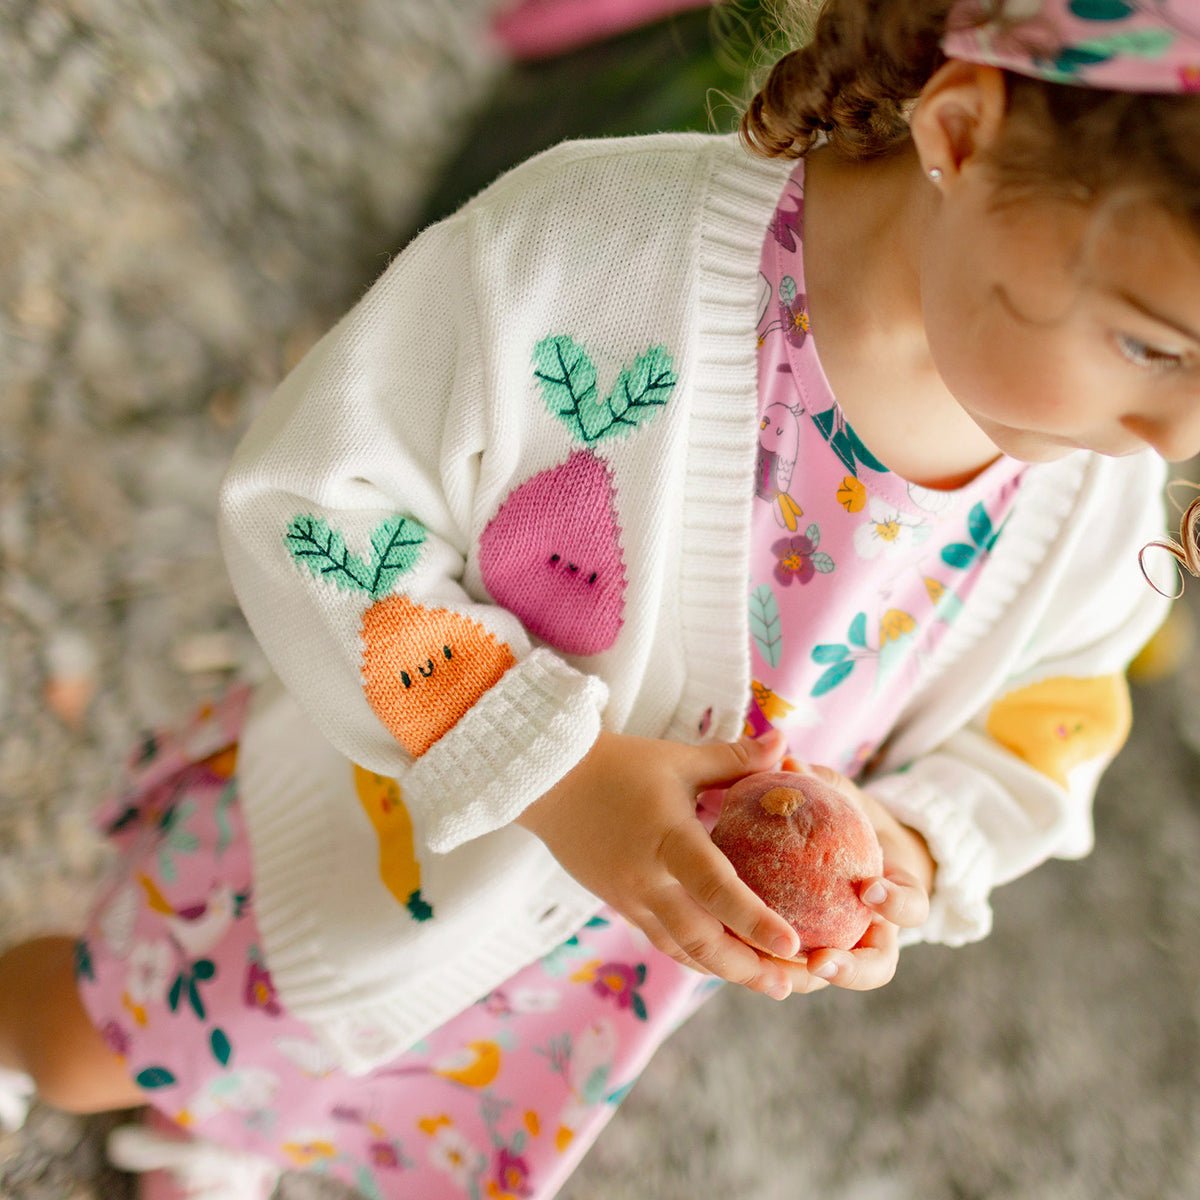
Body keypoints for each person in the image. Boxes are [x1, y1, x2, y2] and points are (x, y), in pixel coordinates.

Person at [1, 0, 1196, 1196]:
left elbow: (1052, 726)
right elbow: (321, 508)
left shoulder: (1088, 500)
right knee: (91, 1045)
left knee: (370, 1110)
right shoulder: (602, 254)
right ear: (963, 130)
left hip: (584, 980)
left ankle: (223, 1138)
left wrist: (915, 845)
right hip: (380, 855)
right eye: (1154, 344)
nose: (1175, 436)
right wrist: (553, 772)